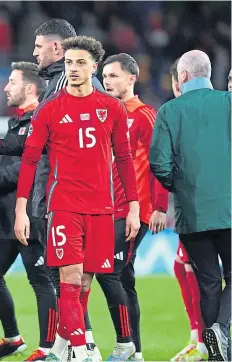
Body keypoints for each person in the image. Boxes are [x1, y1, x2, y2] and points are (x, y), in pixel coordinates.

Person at [0, 19, 105, 360]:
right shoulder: (74, 86)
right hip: (76, 195)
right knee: (67, 276)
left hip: (63, 196)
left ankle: (82, 347)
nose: (34, 52)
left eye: (38, 46)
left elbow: (38, 146)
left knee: (66, 277)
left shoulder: (64, 85)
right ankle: (66, 347)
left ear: (56, 47)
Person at [14, 36, 140, 362]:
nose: (73, 69)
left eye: (80, 62)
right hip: (64, 206)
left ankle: (66, 347)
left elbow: (124, 159)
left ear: (94, 66)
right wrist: (21, 208)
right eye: (69, 62)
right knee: (69, 280)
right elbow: (29, 160)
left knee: (84, 282)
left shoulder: (111, 108)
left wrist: (134, 206)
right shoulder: (50, 109)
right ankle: (82, 352)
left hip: (101, 208)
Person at [150, 49, 231, 362]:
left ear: (182, 76)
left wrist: (181, 187)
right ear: (208, 74)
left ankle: (215, 352)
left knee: (208, 281)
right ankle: (221, 329)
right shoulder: (228, 104)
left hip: (192, 213)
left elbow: (158, 162)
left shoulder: (170, 111)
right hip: (230, 209)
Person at [0, 62, 57, 362]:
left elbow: (29, 168)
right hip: (6, 215)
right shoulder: (17, 123)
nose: (6, 87)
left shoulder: (41, 120)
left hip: (32, 213)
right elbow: (9, 163)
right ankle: (12, 338)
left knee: (40, 280)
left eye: (12, 82)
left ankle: (48, 349)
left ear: (30, 89)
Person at [98, 53, 170, 361]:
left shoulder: (143, 114)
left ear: (131, 78)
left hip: (132, 212)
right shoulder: (104, 113)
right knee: (124, 279)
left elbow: (160, 163)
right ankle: (135, 352)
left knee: (108, 272)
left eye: (113, 76)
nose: (107, 81)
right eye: (104, 76)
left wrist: (159, 207)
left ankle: (125, 345)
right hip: (105, 208)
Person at [166, 58, 207, 362]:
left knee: (193, 268)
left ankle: (204, 340)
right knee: (184, 266)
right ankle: (199, 337)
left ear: (179, 81)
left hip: (202, 204)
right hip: (198, 202)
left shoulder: (179, 112)